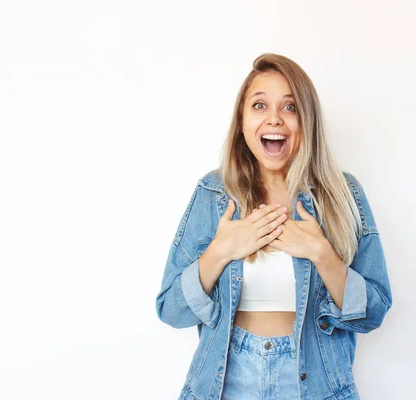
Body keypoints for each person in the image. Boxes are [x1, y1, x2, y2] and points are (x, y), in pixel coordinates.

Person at [156, 53, 392, 400]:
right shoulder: (213, 194)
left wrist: (322, 253)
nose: (275, 119)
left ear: (306, 120)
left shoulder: (344, 194)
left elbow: (374, 313)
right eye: (259, 105)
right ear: (241, 120)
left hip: (315, 387)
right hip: (225, 384)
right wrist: (222, 251)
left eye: (290, 107)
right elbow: (171, 310)